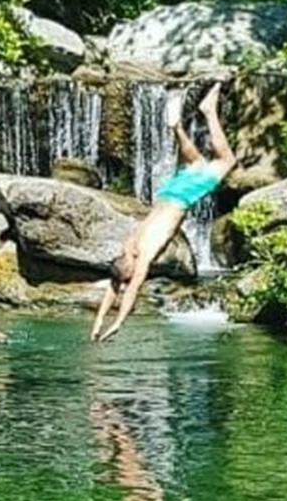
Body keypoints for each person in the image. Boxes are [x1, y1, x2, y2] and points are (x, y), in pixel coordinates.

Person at [90, 81, 236, 343]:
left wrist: (117, 324)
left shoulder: (141, 255)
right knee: (196, 163)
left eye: (130, 275)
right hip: (167, 194)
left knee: (226, 161)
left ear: (130, 266)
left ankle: (209, 111)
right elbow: (115, 287)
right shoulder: (127, 249)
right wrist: (99, 321)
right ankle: (177, 128)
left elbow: (130, 292)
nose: (132, 279)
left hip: (180, 198)